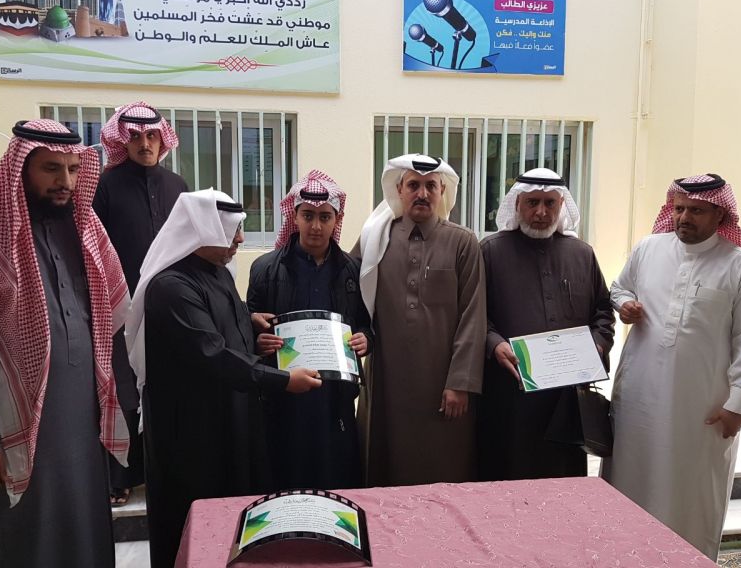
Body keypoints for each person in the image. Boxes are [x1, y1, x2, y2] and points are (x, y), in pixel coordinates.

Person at [0, 119, 130, 567]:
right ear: (20, 169)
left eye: (74, 169)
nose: (66, 182)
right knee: (19, 536)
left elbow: (112, 324)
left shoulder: (87, 233)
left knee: (82, 525)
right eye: (51, 169)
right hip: (6, 426)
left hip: (80, 417)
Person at [125, 188, 322, 568]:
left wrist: (249, 325)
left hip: (230, 419)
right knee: (196, 522)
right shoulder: (171, 286)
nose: (240, 239)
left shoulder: (216, 271)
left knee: (235, 519)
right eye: (231, 230)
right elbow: (212, 353)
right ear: (202, 229)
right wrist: (283, 380)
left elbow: (221, 326)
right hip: (192, 435)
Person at [602, 173, 741, 559]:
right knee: (629, 487)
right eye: (679, 209)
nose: (684, 218)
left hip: (703, 409)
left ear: (720, 214)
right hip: (639, 400)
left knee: (693, 495)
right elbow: (619, 287)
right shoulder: (648, 248)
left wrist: (738, 405)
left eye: (696, 211)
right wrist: (624, 305)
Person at [354, 153, 485, 486]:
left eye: (431, 186)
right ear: (399, 190)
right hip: (386, 379)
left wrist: (460, 383)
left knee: (444, 465)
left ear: (443, 191)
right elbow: (345, 291)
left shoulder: (463, 242)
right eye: (413, 185)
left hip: (441, 382)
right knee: (384, 464)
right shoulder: (375, 238)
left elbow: (473, 314)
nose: (422, 194)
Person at [477, 168, 615, 480]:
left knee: (561, 478)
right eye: (532, 202)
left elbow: (603, 311)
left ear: (561, 205)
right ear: (517, 204)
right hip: (510, 392)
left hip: (566, 399)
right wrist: (494, 343)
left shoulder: (582, 254)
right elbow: (474, 313)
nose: (541, 212)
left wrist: (597, 344)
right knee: (507, 474)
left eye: (550, 203)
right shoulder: (491, 251)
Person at [247, 170, 372, 490]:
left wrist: (366, 339)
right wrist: (258, 340)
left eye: (325, 217)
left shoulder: (353, 271)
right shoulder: (264, 269)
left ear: (336, 220)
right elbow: (249, 323)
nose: (316, 226)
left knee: (335, 473)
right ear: (295, 217)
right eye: (308, 216)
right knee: (285, 471)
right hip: (283, 396)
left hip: (335, 399)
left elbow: (366, 323)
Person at [94, 101, 187, 505]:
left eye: (151, 135)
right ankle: (121, 477)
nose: (145, 144)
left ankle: (161, 470)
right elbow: (93, 247)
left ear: (163, 139)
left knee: (166, 386)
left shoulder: (178, 186)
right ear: (122, 139)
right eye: (135, 136)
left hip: (169, 306)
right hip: (121, 306)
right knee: (124, 391)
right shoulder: (105, 186)